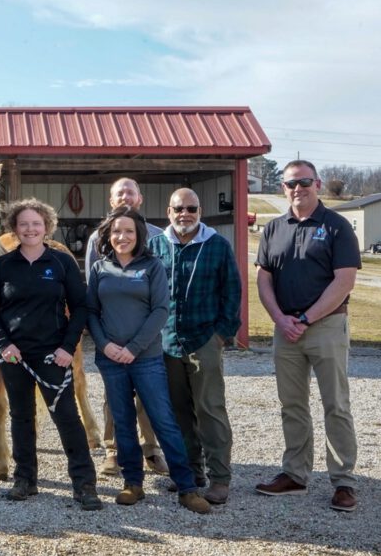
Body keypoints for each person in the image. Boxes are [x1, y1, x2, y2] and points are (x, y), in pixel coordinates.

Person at [87, 206, 211, 514]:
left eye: (128, 231)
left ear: (139, 235)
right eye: (116, 231)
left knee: (163, 420)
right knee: (123, 423)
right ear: (108, 235)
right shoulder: (100, 269)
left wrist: (133, 348)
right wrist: (105, 346)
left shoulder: (152, 266)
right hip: (111, 360)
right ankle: (133, 483)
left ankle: (187, 487)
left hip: (146, 358)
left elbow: (160, 310)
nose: (122, 236)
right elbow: (90, 311)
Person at [0, 199, 101, 510]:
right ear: (15, 229)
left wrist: (67, 348)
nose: (30, 229)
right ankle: (25, 479)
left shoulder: (61, 263)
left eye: (36, 224)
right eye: (24, 224)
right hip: (14, 356)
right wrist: (3, 344)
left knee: (66, 417)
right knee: (21, 417)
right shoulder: (2, 266)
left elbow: (81, 307)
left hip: (53, 355)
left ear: (46, 226)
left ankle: (84, 483)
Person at [254, 160, 361, 512]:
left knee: (336, 404)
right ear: (283, 188)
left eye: (304, 182)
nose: (297, 189)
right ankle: (295, 475)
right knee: (293, 404)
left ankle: (343, 481)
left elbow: (344, 280)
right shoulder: (273, 229)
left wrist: (305, 317)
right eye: (289, 184)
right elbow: (264, 279)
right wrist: (281, 319)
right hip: (285, 329)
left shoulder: (337, 226)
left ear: (316, 184)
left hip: (326, 326)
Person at [148, 188, 241, 505]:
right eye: (179, 209)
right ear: (169, 211)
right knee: (178, 413)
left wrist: (222, 334)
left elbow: (232, 291)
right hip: (167, 341)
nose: (184, 214)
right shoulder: (157, 245)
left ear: (200, 211)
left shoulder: (216, 245)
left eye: (191, 208)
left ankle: (219, 478)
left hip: (204, 340)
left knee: (210, 409)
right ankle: (189, 472)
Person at [84, 177, 167, 476]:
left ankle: (151, 449)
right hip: (112, 334)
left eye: (130, 191)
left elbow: (161, 290)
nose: (125, 196)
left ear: (140, 198)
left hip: (147, 331)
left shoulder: (158, 236)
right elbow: (92, 289)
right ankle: (113, 450)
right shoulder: (98, 238)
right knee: (113, 395)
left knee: (149, 395)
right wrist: (104, 339)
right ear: (111, 200)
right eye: (119, 192)